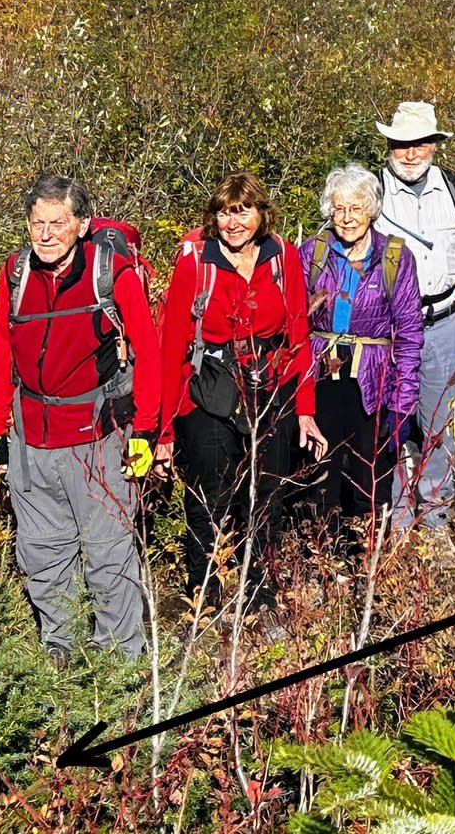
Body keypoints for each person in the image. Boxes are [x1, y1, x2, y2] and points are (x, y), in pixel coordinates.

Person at [0, 176, 160, 658]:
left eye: (58, 223)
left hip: (98, 437)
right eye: (37, 223)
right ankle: (60, 654)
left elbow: (150, 352)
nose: (45, 234)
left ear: (81, 225)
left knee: (108, 555)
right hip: (32, 440)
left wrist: (145, 431)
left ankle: (120, 664)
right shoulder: (15, 275)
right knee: (42, 552)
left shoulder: (111, 273)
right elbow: (3, 354)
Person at [155, 174, 325, 614]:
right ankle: (204, 596)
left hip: (270, 386)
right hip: (208, 388)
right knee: (209, 494)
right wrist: (165, 429)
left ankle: (259, 597)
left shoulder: (283, 256)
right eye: (225, 212)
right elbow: (172, 343)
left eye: (243, 211)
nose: (233, 222)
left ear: (261, 214)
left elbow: (298, 336)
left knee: (265, 495)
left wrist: (304, 408)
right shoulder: (196, 262)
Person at [372, 102, 455, 537]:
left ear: (434, 146)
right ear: (389, 145)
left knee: (438, 426)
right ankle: (398, 522)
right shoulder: (373, 194)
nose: (409, 153)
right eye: (401, 144)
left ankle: (437, 519)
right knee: (390, 426)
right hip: (385, 331)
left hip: (443, 322)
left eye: (419, 143)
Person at [301, 167, 423, 544]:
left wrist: (402, 402)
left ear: (371, 210)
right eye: (339, 208)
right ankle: (323, 562)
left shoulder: (395, 258)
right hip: (320, 377)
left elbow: (409, 332)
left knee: (370, 481)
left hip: (373, 382)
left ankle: (368, 565)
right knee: (321, 477)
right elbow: (295, 324)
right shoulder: (313, 252)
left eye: (356, 208)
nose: (347, 217)